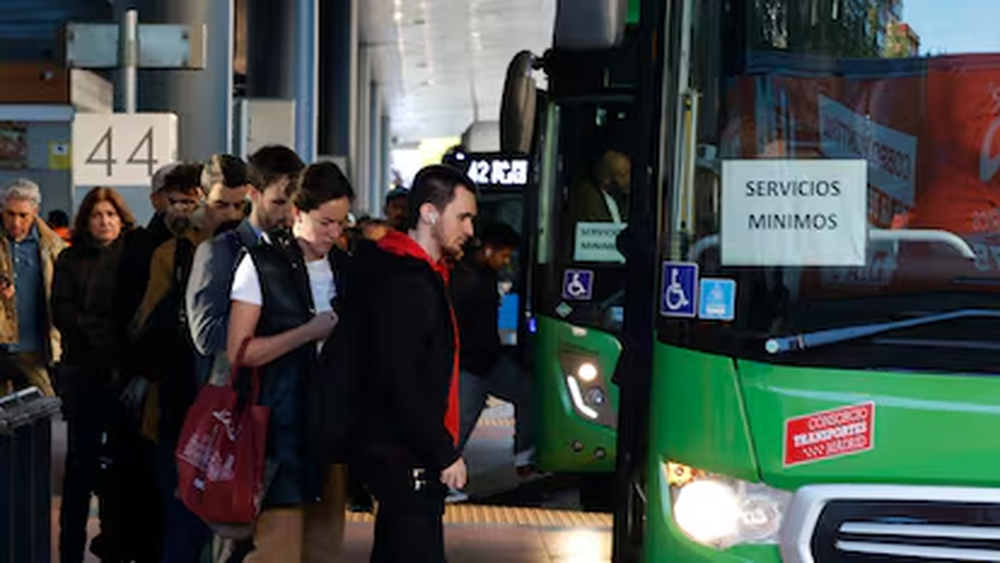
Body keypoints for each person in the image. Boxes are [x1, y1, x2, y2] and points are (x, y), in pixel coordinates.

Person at [227, 161, 353, 562]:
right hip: (276, 436)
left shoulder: (346, 269)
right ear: (298, 213)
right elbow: (240, 351)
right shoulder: (261, 264)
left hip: (331, 432)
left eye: (341, 223)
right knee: (275, 549)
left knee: (325, 549)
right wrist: (307, 332)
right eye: (325, 223)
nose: (334, 233)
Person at [184, 145, 304, 563]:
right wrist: (275, 330)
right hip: (238, 416)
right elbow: (207, 334)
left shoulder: (292, 253)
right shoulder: (221, 251)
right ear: (255, 193)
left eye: (295, 203)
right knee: (229, 540)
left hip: (283, 418)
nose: (289, 212)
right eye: (280, 201)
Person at [132, 154, 252, 563]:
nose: (232, 215)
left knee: (227, 531)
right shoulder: (175, 253)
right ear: (204, 198)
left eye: (240, 206)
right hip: (181, 404)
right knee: (185, 525)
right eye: (222, 204)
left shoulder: (254, 250)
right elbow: (147, 327)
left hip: (235, 408)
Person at [356, 164, 476, 562]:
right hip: (407, 458)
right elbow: (401, 379)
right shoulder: (407, 280)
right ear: (429, 213)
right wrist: (443, 451)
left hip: (404, 456)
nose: (470, 230)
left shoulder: (417, 272)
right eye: (463, 217)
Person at [52, 187, 136, 563]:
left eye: (111, 214)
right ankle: (69, 552)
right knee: (79, 469)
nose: (104, 221)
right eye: (97, 215)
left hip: (122, 375)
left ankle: (114, 547)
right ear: (86, 221)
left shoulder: (132, 257)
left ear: (122, 219)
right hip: (83, 372)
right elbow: (63, 313)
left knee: (120, 471)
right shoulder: (70, 259)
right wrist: (102, 333)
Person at [451, 222, 537, 474]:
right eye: (504, 255)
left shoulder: (481, 275)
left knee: (527, 392)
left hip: (487, 360)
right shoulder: (465, 280)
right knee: (463, 419)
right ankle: (443, 477)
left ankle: (524, 457)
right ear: (489, 250)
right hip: (471, 364)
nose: (506, 261)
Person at [0, 178, 66, 398]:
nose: (16, 222)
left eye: (23, 215)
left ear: (36, 211)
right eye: (10, 213)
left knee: (43, 409)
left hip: (34, 347)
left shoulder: (52, 246)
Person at [572, 150, 631, 223]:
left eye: (629, 173)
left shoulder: (619, 198)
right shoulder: (589, 198)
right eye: (623, 176)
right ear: (606, 179)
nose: (628, 180)